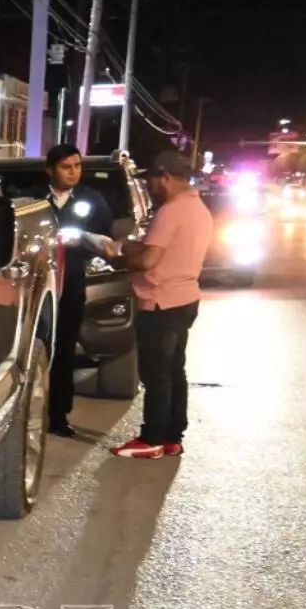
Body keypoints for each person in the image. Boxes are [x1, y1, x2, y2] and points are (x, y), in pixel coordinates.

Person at [111, 149, 212, 459]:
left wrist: (116, 256)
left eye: (152, 181)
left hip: (160, 302)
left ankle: (151, 439)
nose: (150, 187)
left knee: (155, 374)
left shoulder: (170, 211)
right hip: (185, 299)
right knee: (174, 371)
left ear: (165, 178)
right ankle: (172, 437)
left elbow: (149, 259)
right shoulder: (198, 209)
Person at [38, 144, 119, 437]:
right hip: (35, 286)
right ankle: (27, 412)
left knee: (63, 350)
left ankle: (58, 416)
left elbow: (107, 240)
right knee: (34, 350)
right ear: (50, 170)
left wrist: (84, 240)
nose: (73, 172)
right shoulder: (35, 200)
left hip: (71, 283)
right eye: (66, 167)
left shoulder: (91, 200)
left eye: (77, 166)